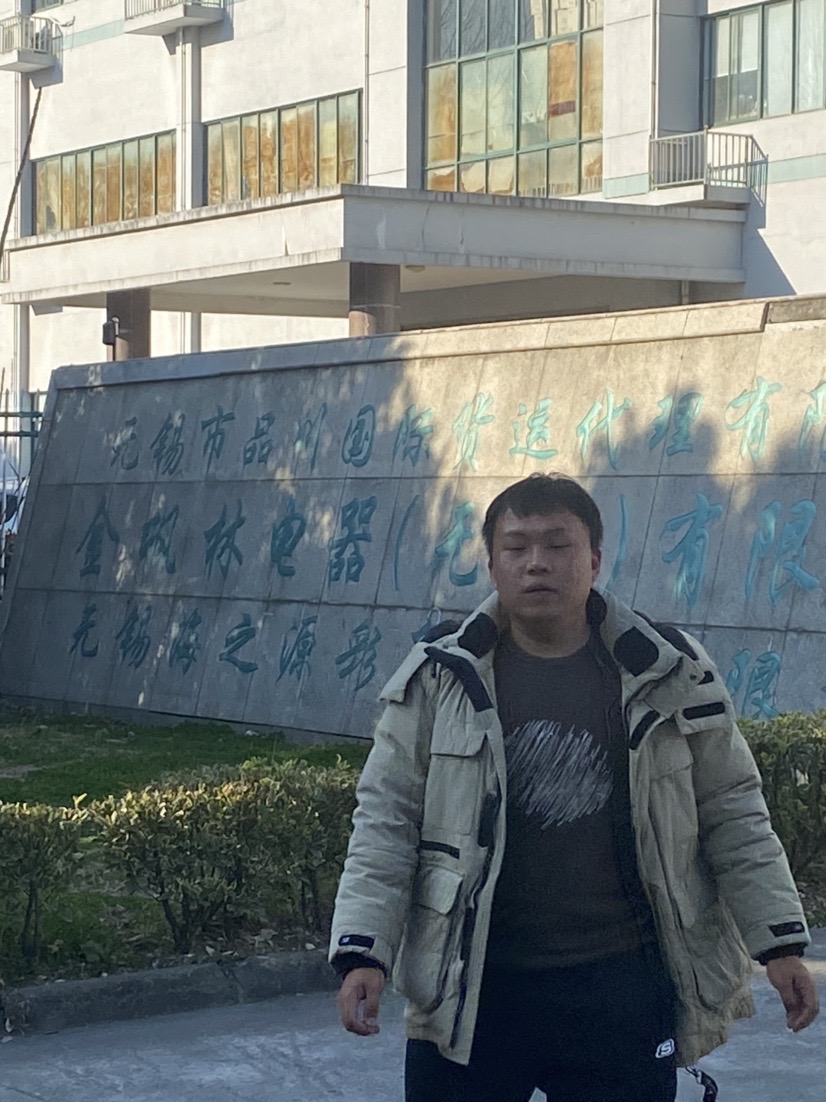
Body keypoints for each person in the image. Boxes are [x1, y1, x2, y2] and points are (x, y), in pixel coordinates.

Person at [329, 474, 819, 1102]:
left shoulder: (668, 670)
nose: (536, 563)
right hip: (471, 984)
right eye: (516, 547)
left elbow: (733, 811)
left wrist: (778, 943)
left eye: (558, 545)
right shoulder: (440, 677)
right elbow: (386, 820)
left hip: (622, 983)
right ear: (492, 565)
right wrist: (364, 952)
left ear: (594, 560)